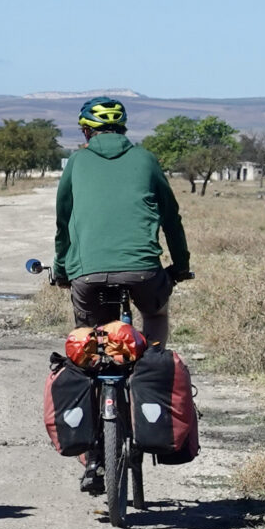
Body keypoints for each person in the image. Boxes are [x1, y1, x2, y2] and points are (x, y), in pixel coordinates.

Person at [52, 95, 192, 494]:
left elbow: (63, 222)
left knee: (91, 340)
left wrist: (62, 270)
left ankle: (94, 451)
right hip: (144, 271)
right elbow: (171, 216)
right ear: (124, 129)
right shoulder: (146, 160)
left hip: (87, 276)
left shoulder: (77, 162)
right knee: (157, 314)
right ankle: (150, 369)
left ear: (85, 130)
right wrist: (179, 266)